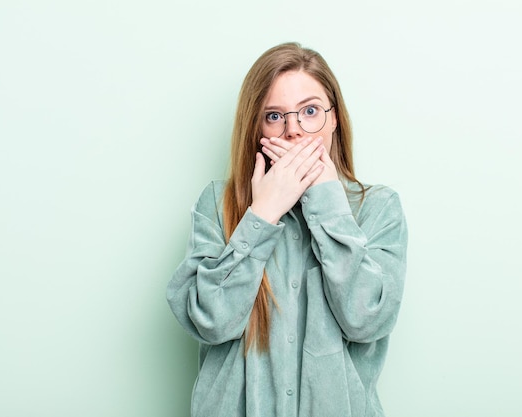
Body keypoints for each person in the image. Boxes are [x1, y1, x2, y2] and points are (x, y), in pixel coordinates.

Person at [166, 41, 408, 417]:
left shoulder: (378, 208)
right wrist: (262, 214)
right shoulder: (216, 203)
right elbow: (210, 320)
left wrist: (327, 203)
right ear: (256, 126)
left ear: (334, 119)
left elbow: (367, 320)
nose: (294, 130)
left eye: (310, 111)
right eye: (275, 116)